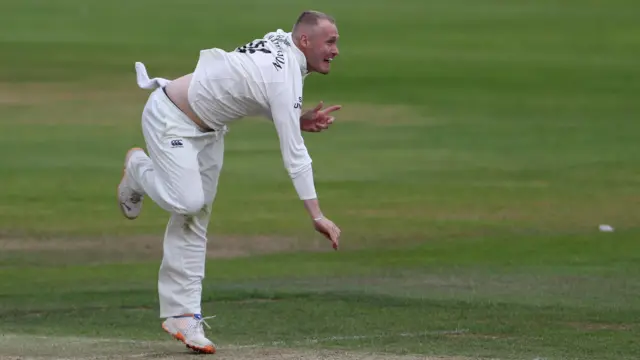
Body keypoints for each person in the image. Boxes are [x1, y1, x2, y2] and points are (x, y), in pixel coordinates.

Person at [117, 10, 342, 355]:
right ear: (304, 41)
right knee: (187, 201)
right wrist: (316, 215)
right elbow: (294, 153)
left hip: (210, 129)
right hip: (170, 117)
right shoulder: (287, 74)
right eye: (330, 41)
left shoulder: (285, 48)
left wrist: (295, 118)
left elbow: (254, 85)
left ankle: (184, 315)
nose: (336, 50)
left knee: (196, 217)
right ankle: (137, 168)